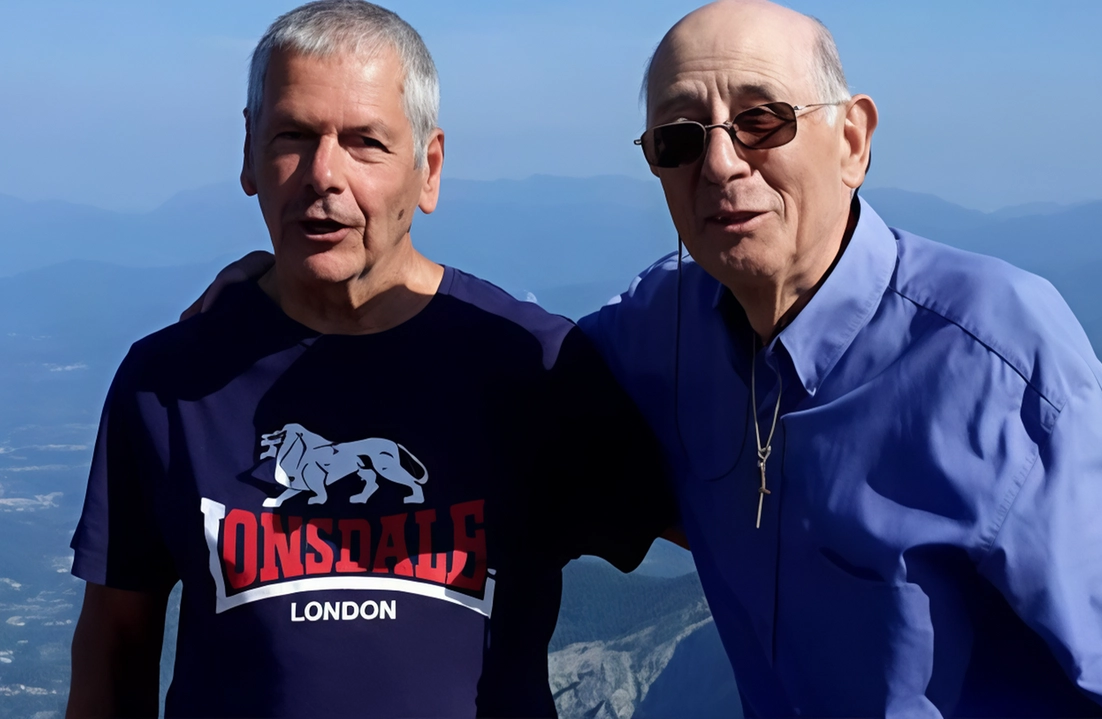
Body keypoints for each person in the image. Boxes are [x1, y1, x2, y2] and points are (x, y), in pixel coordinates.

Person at [191, 0, 1102, 716]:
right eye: (678, 137)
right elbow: (505, 352)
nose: (721, 163)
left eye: (760, 122)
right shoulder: (665, 329)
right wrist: (305, 287)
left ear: (850, 136)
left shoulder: (994, 357)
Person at [66, 2, 674, 717]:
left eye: (365, 143)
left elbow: (740, 542)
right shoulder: (167, 384)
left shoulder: (534, 370)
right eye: (293, 135)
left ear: (429, 168)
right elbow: (115, 644)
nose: (323, 174)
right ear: (249, 153)